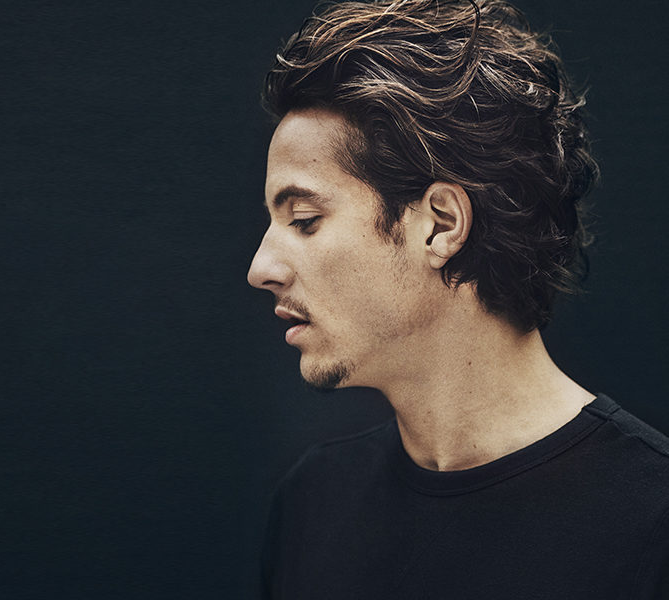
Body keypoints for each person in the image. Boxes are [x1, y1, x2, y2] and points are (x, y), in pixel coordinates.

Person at [246, 0, 669, 598]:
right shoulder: (312, 505)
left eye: (304, 220)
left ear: (441, 225)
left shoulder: (652, 523)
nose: (260, 269)